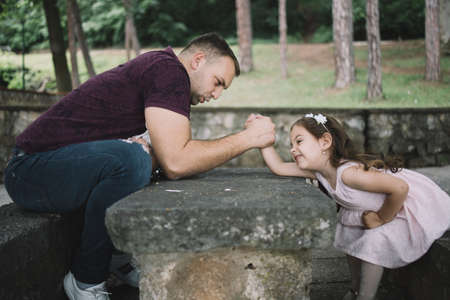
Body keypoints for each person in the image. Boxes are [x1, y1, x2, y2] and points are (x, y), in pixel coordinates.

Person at [3, 32, 275, 300]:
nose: (216, 95)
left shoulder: (166, 73)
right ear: (198, 60)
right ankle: (85, 280)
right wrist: (248, 138)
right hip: (30, 170)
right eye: (218, 83)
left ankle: (116, 257)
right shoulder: (169, 71)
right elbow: (177, 161)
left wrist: (156, 155)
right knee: (133, 160)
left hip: (52, 168)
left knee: (140, 161)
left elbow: (172, 157)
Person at [255, 113, 450, 300]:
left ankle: (366, 296)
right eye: (291, 144)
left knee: (374, 240)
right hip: (372, 210)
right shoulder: (319, 172)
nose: (292, 149)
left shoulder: (349, 174)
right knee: (348, 233)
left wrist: (381, 218)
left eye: (299, 141)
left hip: (403, 205)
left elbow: (400, 188)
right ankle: (355, 289)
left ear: (325, 142)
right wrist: (262, 141)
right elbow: (279, 167)